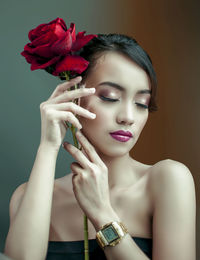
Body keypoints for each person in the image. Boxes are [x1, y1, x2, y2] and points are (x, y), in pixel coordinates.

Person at [4, 34, 196, 260]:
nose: (128, 117)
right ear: (73, 99)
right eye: (110, 97)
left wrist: (102, 214)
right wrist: (48, 147)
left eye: (141, 104)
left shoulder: (167, 180)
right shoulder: (28, 196)